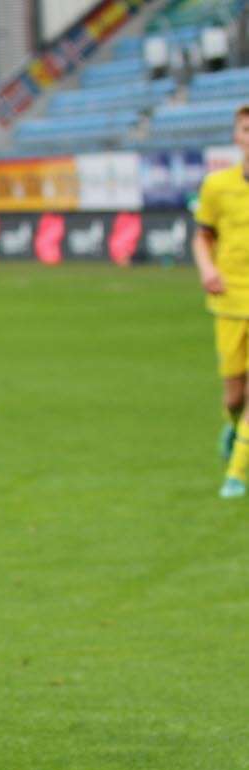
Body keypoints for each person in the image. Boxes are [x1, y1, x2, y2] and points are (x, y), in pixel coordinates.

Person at [195, 105, 249, 498]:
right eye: (247, 129)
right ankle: (232, 426)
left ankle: (235, 473)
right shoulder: (217, 186)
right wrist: (207, 269)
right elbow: (203, 236)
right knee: (234, 396)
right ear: (237, 136)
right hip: (230, 301)